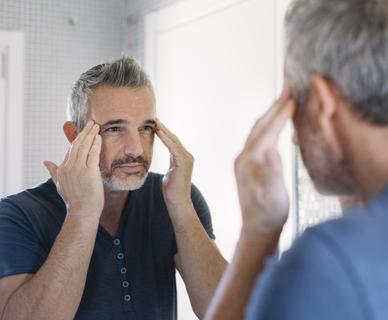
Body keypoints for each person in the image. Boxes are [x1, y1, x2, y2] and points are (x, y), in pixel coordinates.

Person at [204, 0, 388, 319]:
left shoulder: (329, 266)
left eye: (295, 105)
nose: (294, 136)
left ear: (322, 103)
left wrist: (258, 235)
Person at [0, 56, 227, 319]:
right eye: (115, 128)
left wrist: (181, 207)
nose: (136, 149)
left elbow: (225, 312)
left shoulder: (176, 196)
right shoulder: (17, 215)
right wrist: (81, 213)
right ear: (75, 136)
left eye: (145, 128)